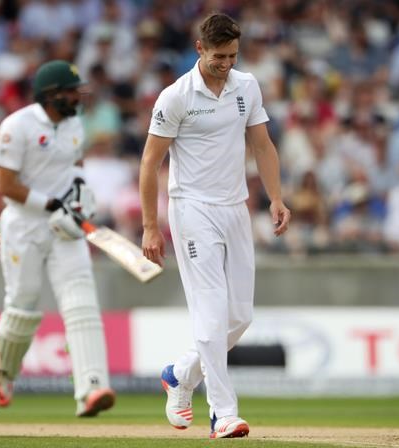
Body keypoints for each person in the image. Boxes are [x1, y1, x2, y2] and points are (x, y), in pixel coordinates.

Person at [139, 13, 291, 439]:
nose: (226, 63)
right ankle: (223, 413)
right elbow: (150, 163)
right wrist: (151, 226)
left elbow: (262, 143)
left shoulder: (247, 86)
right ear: (199, 49)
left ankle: (179, 374)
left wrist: (276, 197)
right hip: (191, 209)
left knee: (239, 318)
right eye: (219, 56)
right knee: (209, 315)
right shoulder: (176, 96)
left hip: (235, 208)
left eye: (233, 56)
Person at [0, 60, 115, 417]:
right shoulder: (17, 126)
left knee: (81, 300)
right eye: (71, 92)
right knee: (23, 304)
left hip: (66, 229)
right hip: (24, 228)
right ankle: (2, 376)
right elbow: (6, 186)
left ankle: (92, 387)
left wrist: (79, 195)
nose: (78, 97)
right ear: (50, 95)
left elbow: (75, 165)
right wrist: (52, 205)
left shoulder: (76, 123)